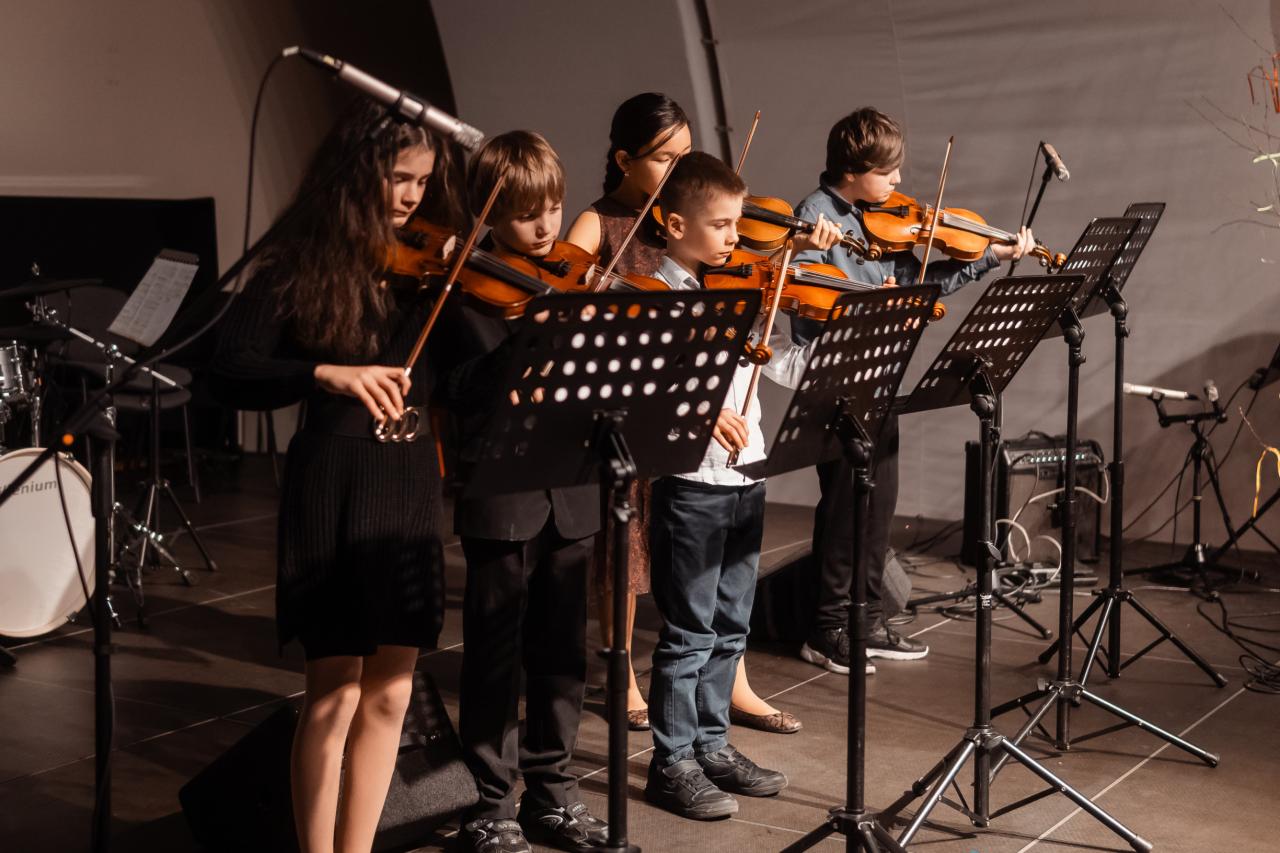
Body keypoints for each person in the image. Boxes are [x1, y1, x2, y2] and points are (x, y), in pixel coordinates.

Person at [210, 100, 466, 853]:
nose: (413, 196)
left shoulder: (430, 271)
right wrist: (323, 371)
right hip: (334, 479)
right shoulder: (301, 263)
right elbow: (229, 366)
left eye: (423, 180)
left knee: (391, 693)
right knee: (333, 693)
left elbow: (461, 377)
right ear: (356, 174)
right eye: (399, 178)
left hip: (407, 477)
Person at [566, 93, 828, 735]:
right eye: (666, 158)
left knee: (723, 592)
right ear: (625, 160)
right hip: (642, 409)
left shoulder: (711, 252)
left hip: (718, 451)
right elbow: (574, 297)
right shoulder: (605, 225)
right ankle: (624, 675)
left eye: (687, 154)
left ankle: (727, 690)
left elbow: (774, 353)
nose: (678, 168)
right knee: (628, 548)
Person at [790, 107, 1035, 676]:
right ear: (852, 171)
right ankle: (827, 629)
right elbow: (806, 300)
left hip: (881, 377)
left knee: (879, 507)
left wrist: (989, 258)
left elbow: (919, 282)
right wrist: (871, 299)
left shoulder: (882, 219)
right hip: (836, 381)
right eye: (887, 171)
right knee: (846, 507)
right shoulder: (814, 217)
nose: (898, 181)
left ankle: (867, 620)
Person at [435, 130, 608, 853]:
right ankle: (488, 801)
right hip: (501, 486)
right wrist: (526, 341)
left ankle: (554, 792)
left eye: (554, 208)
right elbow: (457, 391)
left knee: (563, 650)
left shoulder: (571, 278)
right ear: (487, 212)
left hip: (572, 479)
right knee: (494, 653)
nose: (545, 228)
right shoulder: (463, 289)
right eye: (526, 214)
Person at [643, 151, 820, 820]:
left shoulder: (739, 290)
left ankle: (712, 745)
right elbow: (643, 390)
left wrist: (818, 325)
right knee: (688, 631)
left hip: (747, 472)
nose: (735, 238)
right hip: (692, 483)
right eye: (721, 225)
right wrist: (695, 409)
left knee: (730, 624)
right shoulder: (656, 296)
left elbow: (784, 370)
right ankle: (672, 762)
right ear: (674, 224)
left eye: (738, 225)